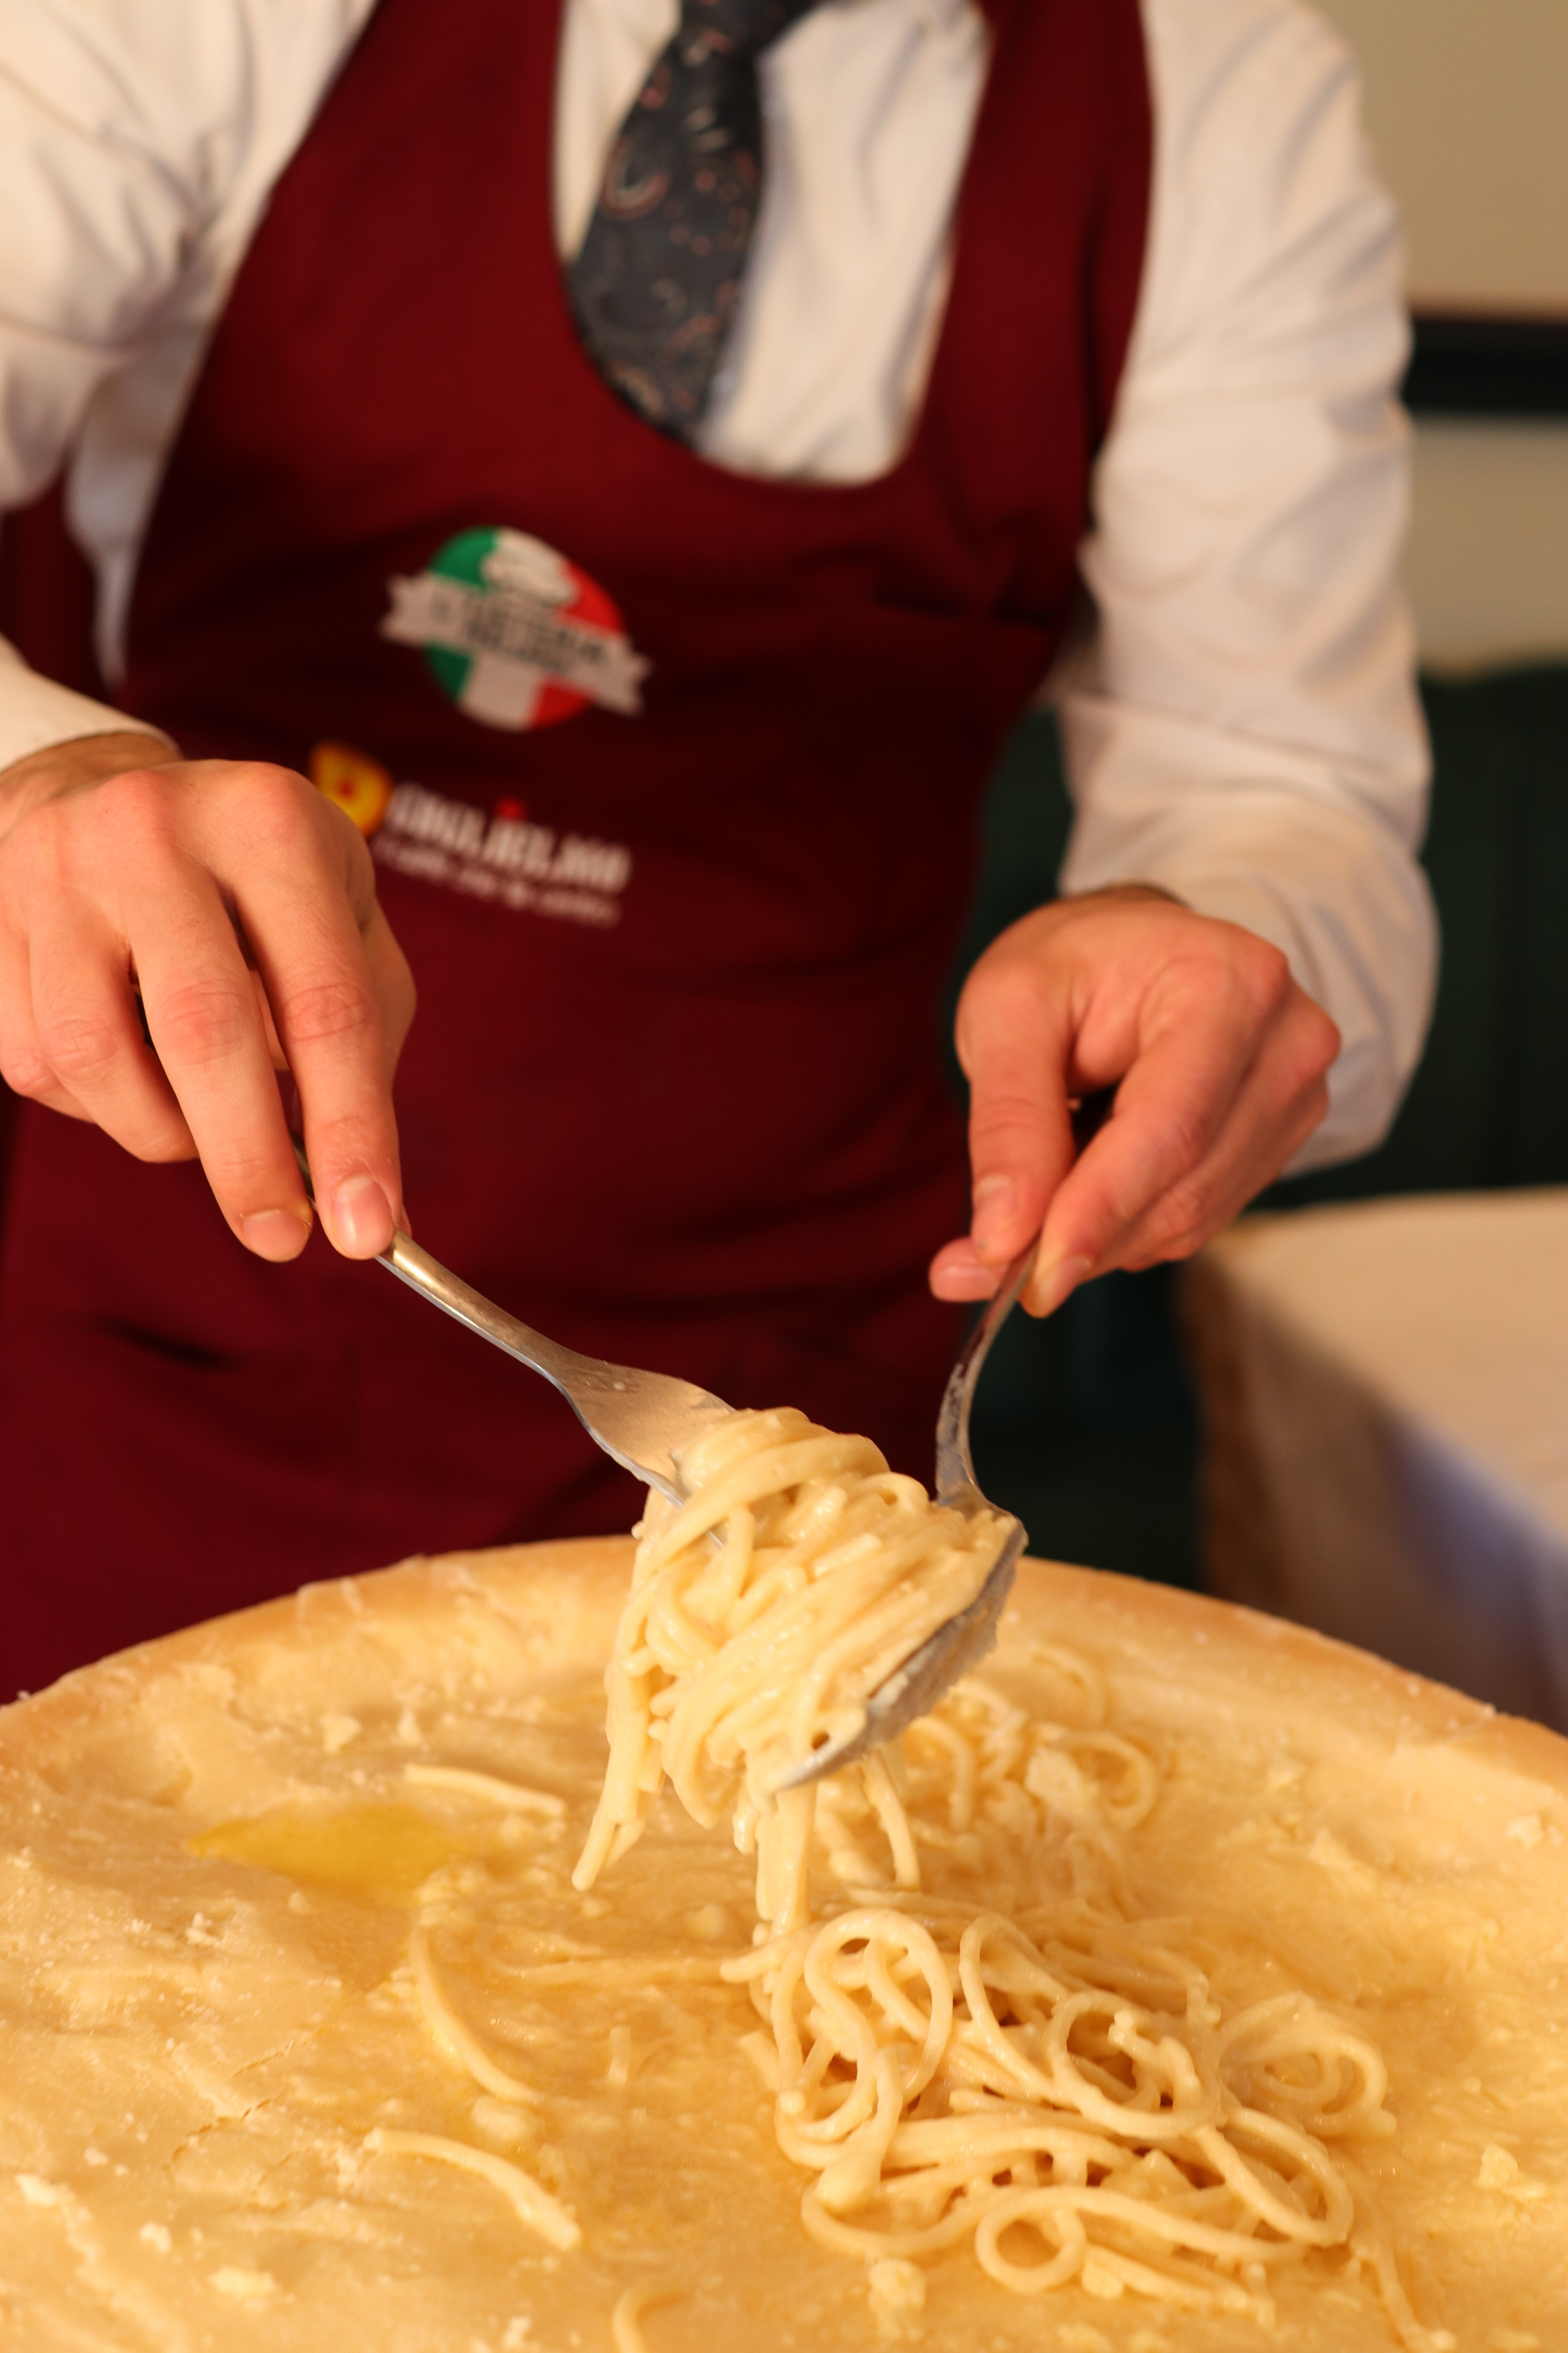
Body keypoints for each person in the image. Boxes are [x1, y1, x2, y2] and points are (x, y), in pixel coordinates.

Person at [0, 0, 1433, 1698]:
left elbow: (1281, 772)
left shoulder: (1210, 93)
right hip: (162, 1375)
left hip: (781, 1457)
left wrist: (1211, 928)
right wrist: (36, 783)